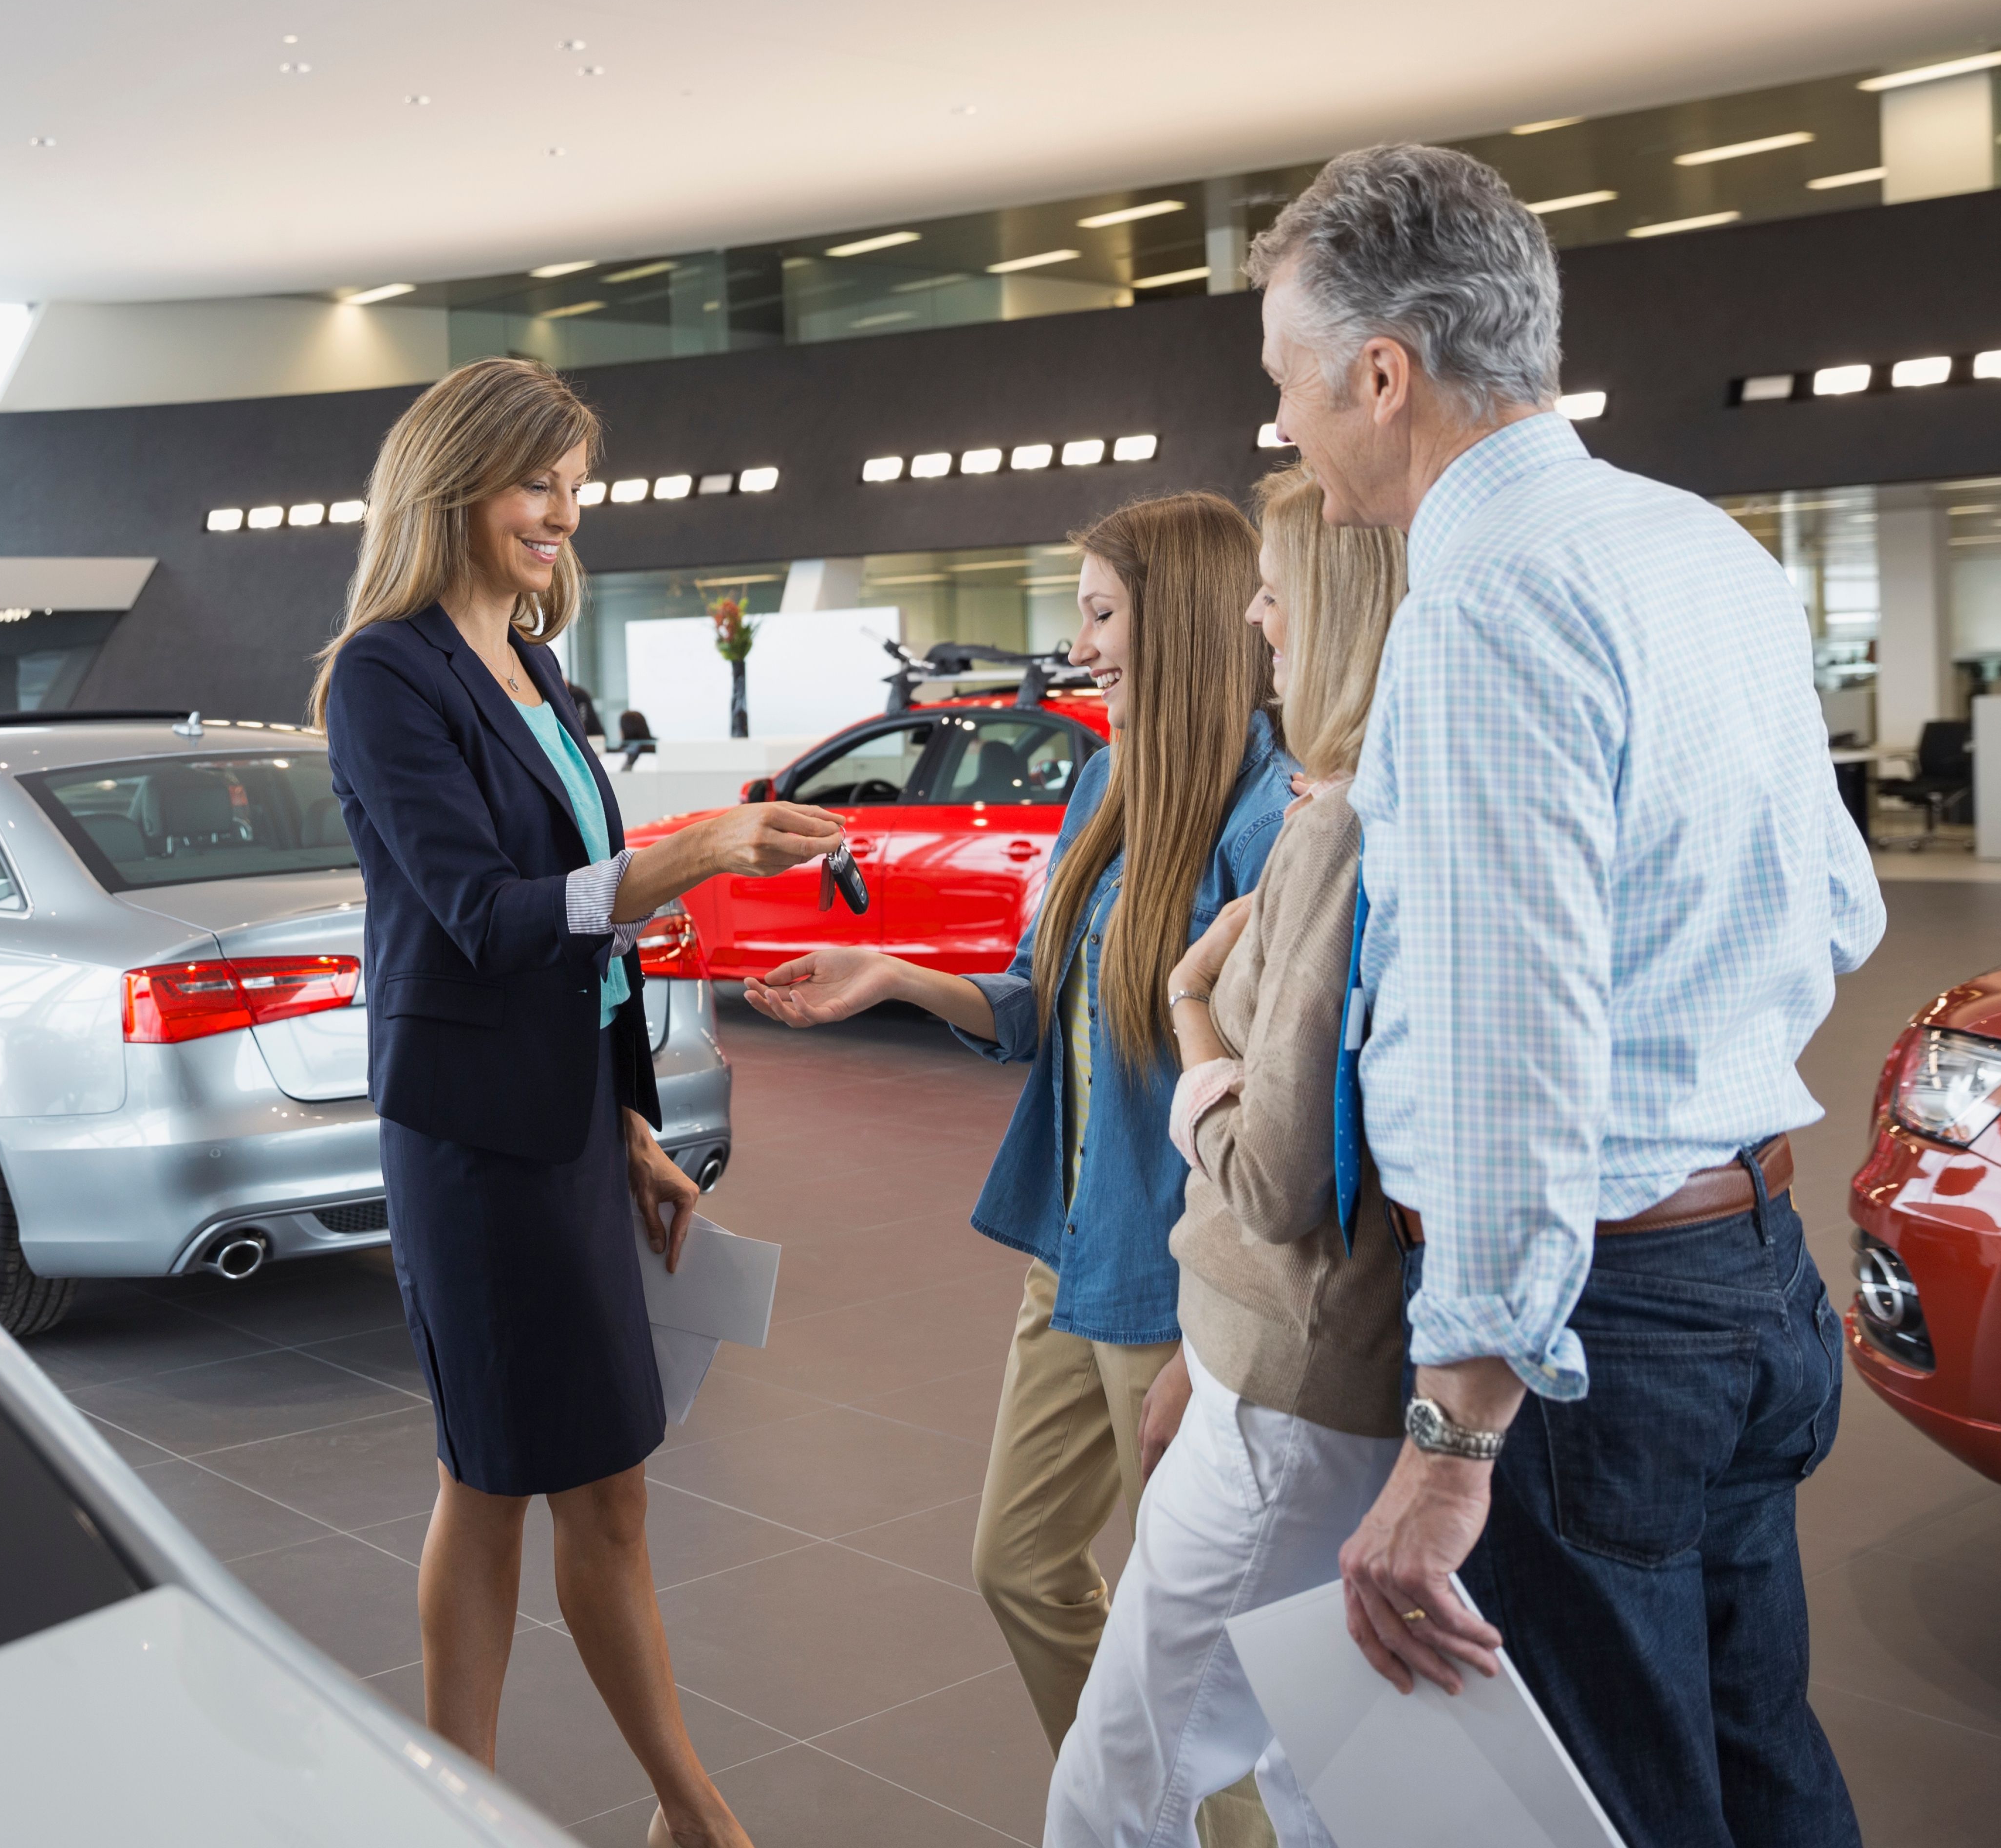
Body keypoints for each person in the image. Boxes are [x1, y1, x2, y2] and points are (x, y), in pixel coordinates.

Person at [1246, 144, 1884, 1847]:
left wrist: (1453, 1443)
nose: (1289, 438)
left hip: (1596, 1330)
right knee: (1763, 1763)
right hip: (1753, 1271)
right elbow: (1840, 903)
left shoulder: (1481, 606)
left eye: (1288, 392)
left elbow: (1507, 1059)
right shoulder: (1705, 551)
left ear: (1384, 376)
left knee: (1614, 1804)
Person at [316, 357, 845, 1848]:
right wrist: (700, 851)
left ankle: (676, 1810)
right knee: (496, 1480)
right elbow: (488, 916)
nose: (563, 512)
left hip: (561, 1126)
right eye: (536, 481)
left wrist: (627, 1128)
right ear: (455, 485)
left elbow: (578, 943)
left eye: (572, 483)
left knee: (604, 1488)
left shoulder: (534, 667)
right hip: (474, 1144)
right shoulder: (385, 673)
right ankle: (570, 1809)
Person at [742, 491, 1292, 1846]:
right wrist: (890, 974)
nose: (1079, 643)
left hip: (1178, 1283)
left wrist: (1216, 1334)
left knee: (1197, 1654)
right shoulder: (1108, 781)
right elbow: (1042, 1006)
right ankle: (1127, 1813)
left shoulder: (1274, 810)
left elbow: (1276, 1103)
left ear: (1182, 620)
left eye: (1102, 612)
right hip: (1074, 1248)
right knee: (1020, 1566)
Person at [1042, 464, 1409, 1848]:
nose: (1262, 620)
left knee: (1118, 1786)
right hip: (1297, 1358)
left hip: (1283, 1370)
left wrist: (1197, 1006)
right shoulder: (1381, 803)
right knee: (1325, 1763)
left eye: (1281, 592)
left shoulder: (1322, 824)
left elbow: (1278, 1174)